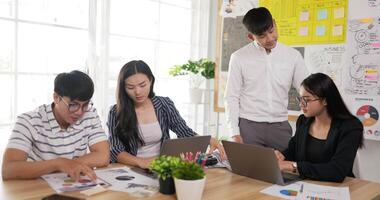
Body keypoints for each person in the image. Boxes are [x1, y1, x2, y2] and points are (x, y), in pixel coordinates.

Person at [108, 60, 226, 169]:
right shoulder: (115, 112)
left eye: (142, 85)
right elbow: (116, 150)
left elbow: (184, 132)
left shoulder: (164, 104)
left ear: (151, 81)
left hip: (163, 167)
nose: (137, 92)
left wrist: (207, 140)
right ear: (123, 88)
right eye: (130, 87)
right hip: (132, 168)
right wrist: (142, 162)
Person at [224, 7, 309, 151]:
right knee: (247, 172)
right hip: (248, 127)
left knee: (284, 171)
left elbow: (307, 90)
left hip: (280, 126)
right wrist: (234, 133)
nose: (270, 38)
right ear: (251, 37)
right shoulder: (238, 57)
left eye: (271, 31)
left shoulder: (293, 56)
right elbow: (231, 96)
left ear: (275, 24)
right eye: (262, 36)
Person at [2, 71, 110, 181]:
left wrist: (68, 165)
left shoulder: (89, 114)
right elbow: (8, 169)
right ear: (56, 98)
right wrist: (58, 164)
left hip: (73, 184)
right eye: (73, 105)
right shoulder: (29, 121)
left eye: (85, 104)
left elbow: (103, 156)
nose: (79, 112)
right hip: (38, 188)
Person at [275, 73, 364, 182]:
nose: (301, 105)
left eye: (306, 100)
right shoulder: (303, 121)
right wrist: (282, 155)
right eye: (300, 99)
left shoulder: (351, 127)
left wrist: (292, 166)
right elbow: (293, 150)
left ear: (325, 100)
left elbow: (337, 171)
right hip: (306, 185)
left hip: (338, 188)